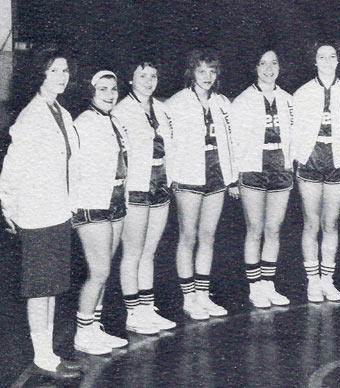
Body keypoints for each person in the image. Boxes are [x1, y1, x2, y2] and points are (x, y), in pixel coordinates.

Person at [0, 48, 83, 379]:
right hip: (36, 214)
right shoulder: (31, 116)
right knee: (40, 289)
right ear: (40, 75)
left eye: (64, 71)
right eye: (54, 71)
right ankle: (43, 356)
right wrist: (8, 207)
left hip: (58, 211)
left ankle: (47, 351)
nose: (62, 77)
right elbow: (11, 171)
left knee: (51, 287)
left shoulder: (60, 111)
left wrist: (72, 203)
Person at [167, 49, 238, 319]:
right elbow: (169, 143)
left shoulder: (222, 103)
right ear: (191, 73)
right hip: (189, 176)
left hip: (216, 176)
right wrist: (172, 177)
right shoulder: (177, 102)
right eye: (201, 71)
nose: (207, 76)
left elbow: (231, 144)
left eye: (212, 71)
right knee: (188, 236)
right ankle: (188, 298)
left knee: (208, 236)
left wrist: (232, 178)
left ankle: (203, 295)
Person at [113, 60, 177, 334]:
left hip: (160, 185)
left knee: (149, 251)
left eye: (153, 75)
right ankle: (133, 312)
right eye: (142, 75)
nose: (149, 81)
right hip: (136, 188)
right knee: (133, 252)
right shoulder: (120, 111)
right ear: (131, 79)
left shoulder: (162, 110)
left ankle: (147, 309)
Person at [70, 70, 130, 354]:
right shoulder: (83, 122)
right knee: (99, 271)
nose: (109, 94)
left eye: (113, 89)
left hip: (116, 200)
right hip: (93, 204)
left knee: (104, 271)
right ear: (91, 92)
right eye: (103, 89)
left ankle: (95, 327)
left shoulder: (114, 120)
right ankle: (82, 334)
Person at [232, 49, 294, 308]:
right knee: (255, 228)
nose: (269, 68)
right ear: (255, 67)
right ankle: (254, 286)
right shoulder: (243, 101)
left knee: (273, 229)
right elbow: (233, 142)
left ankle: (268, 284)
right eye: (263, 63)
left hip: (281, 169)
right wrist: (234, 179)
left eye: (274, 63)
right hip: (253, 170)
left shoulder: (289, 99)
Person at [292, 41, 340, 303]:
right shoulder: (303, 93)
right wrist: (300, 158)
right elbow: (294, 132)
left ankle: (328, 279)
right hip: (311, 162)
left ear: (338, 60)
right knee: (311, 222)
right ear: (314, 61)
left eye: (332, 56)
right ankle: (312, 281)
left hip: (337, 162)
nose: (327, 61)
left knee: (331, 223)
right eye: (321, 57)